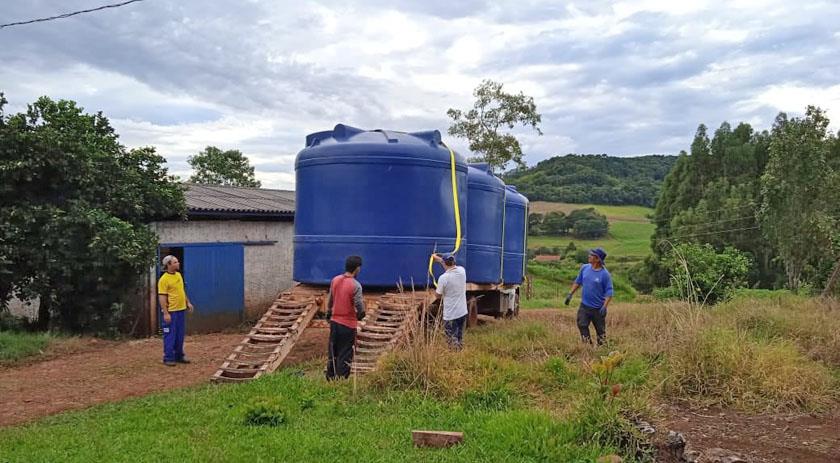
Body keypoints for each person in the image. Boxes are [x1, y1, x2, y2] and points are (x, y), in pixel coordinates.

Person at [326, 255, 366, 380]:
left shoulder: (335, 280)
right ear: (357, 268)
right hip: (348, 324)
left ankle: (330, 376)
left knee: (333, 350)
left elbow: (330, 299)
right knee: (345, 351)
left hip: (334, 322)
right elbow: (358, 303)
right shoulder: (356, 285)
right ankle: (342, 378)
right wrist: (361, 313)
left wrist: (328, 312)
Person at [564, 247, 613, 345]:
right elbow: (578, 282)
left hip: (598, 309)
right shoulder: (585, 268)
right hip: (585, 306)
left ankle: (602, 349)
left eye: (591, 255)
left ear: (597, 259)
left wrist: (604, 307)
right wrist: (570, 294)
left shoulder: (605, 275)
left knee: (601, 332)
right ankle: (587, 345)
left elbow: (609, 292)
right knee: (582, 324)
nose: (589, 256)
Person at [158, 255, 194, 366]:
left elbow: (181, 291)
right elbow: (162, 297)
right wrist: (166, 312)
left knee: (179, 335)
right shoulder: (164, 279)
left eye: (177, 262)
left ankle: (179, 355)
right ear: (168, 265)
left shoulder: (178, 275)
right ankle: (168, 357)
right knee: (170, 335)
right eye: (175, 262)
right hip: (171, 312)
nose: (178, 263)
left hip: (180, 310)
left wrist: (187, 302)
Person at [433, 253, 468, 349]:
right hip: (462, 312)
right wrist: (440, 260)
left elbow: (438, 295)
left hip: (451, 315)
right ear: (454, 262)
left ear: (444, 263)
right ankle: (460, 356)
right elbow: (447, 263)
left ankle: (454, 358)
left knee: (451, 340)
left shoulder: (443, 278)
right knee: (459, 337)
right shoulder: (462, 271)